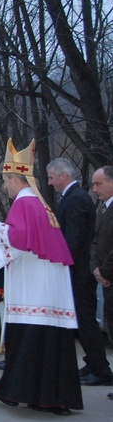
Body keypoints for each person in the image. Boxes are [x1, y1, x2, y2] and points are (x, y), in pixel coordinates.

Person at [0, 139, 82, 416]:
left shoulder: (25, 202)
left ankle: (14, 391)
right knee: (50, 344)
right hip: (49, 289)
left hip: (33, 289)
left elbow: (21, 240)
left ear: (15, 178)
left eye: (5, 180)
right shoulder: (40, 203)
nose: (4, 186)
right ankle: (51, 398)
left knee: (29, 340)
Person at [47, 158, 112, 386]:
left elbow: (74, 239)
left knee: (85, 320)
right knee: (82, 320)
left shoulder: (75, 199)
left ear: (63, 176)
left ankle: (101, 369)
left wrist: (60, 262)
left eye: (52, 177)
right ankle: (94, 362)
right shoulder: (74, 197)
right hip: (80, 268)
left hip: (80, 271)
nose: (50, 182)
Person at [90, 165, 113, 405]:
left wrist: (105, 271)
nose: (95, 189)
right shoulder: (103, 209)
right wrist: (96, 270)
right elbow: (96, 242)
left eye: (99, 183)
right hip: (105, 279)